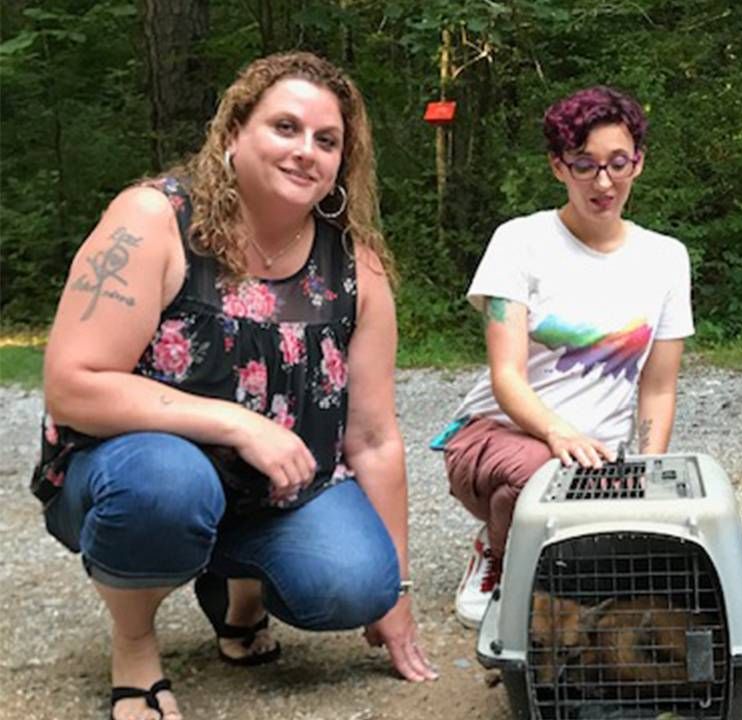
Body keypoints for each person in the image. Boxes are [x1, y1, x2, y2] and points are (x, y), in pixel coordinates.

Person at [32, 52, 438, 720]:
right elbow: (73, 387)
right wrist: (240, 423)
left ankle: (235, 586)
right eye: (285, 127)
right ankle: (134, 645)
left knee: (356, 582)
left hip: (267, 495)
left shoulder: (355, 266)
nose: (306, 151)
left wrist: (397, 589)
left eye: (327, 140)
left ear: (343, 163)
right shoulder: (153, 222)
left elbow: (373, 436)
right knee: (166, 484)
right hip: (130, 476)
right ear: (233, 135)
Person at [432, 85, 694, 629]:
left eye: (618, 163)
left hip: (594, 456)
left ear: (638, 163)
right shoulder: (519, 242)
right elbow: (507, 375)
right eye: (585, 165)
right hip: (495, 438)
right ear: (558, 167)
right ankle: (496, 559)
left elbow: (658, 386)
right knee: (540, 472)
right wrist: (558, 435)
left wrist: (646, 470)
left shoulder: (667, 259)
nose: (603, 182)